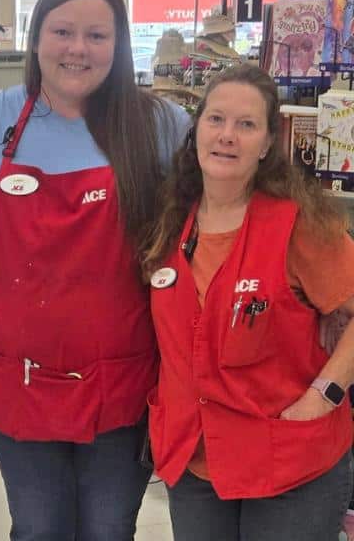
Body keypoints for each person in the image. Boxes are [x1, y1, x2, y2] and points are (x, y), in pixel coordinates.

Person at [0, 0, 190, 540]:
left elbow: (223, 212)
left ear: (119, 44)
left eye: (97, 36)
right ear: (36, 37)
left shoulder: (162, 126)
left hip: (124, 376)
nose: (78, 49)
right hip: (17, 374)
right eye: (62, 31)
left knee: (107, 529)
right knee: (40, 527)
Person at [141, 63, 354, 541]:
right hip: (194, 462)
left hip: (288, 463)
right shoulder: (170, 222)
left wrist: (325, 395)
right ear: (195, 130)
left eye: (246, 125)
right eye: (216, 120)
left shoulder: (299, 227)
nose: (227, 136)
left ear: (267, 144)